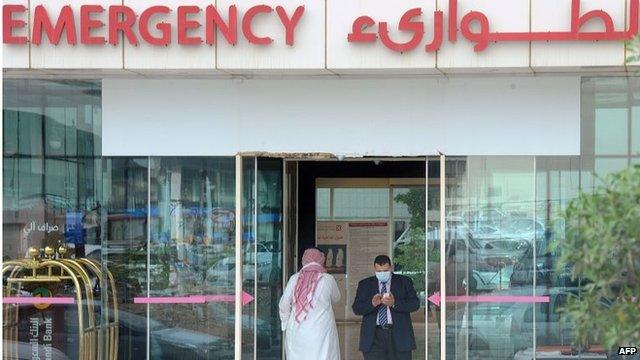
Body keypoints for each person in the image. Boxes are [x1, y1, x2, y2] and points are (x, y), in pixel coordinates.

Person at [352, 255, 420, 360]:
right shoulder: (365, 284)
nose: (382, 273)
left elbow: (415, 304)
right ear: (374, 269)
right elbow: (356, 308)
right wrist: (372, 304)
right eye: (379, 271)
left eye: (385, 270)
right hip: (373, 336)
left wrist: (394, 303)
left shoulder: (404, 281)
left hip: (398, 334)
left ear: (391, 268)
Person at [279, 247, 341, 360]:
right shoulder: (328, 279)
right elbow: (336, 298)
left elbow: (284, 303)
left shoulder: (294, 278)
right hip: (322, 331)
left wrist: (286, 323)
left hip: (296, 330)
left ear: (304, 260)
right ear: (321, 260)